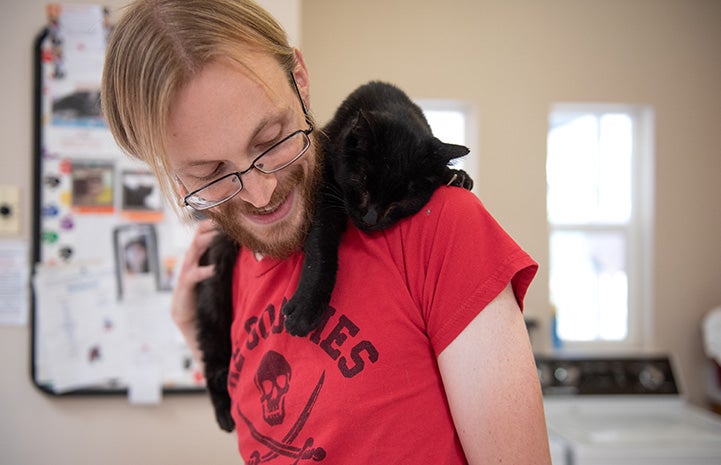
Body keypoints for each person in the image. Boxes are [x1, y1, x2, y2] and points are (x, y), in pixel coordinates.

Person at [101, 0, 552, 463]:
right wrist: (202, 336)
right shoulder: (231, 270)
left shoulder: (440, 229)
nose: (261, 194)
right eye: (210, 173)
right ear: (175, 178)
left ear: (299, 78)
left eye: (271, 139)